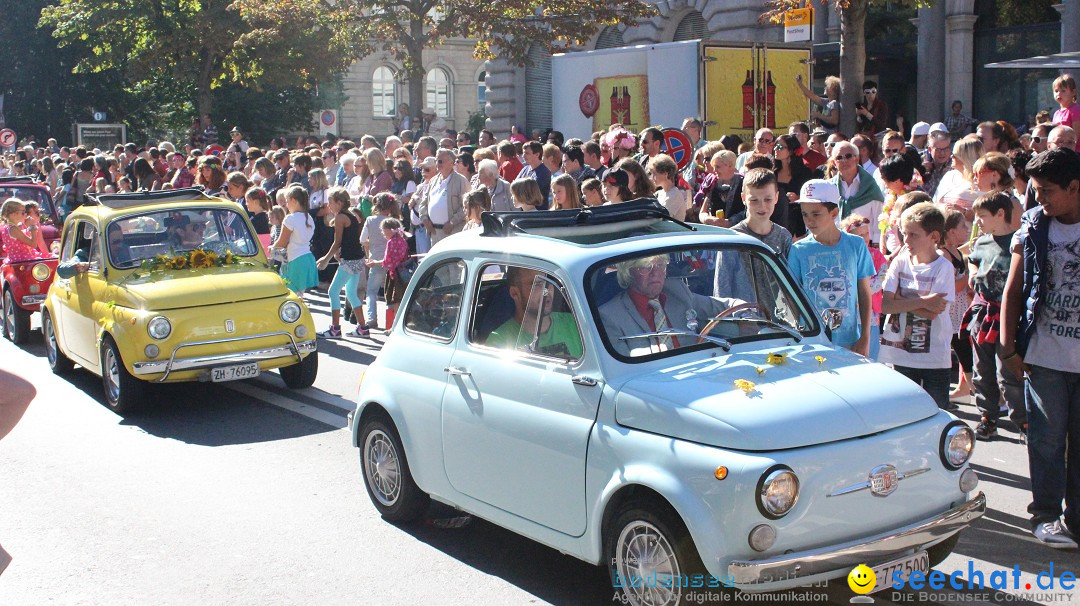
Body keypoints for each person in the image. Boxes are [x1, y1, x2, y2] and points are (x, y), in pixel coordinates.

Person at [999, 148, 1080, 548]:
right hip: (1043, 356)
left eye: (1047, 191)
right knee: (1047, 439)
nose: (1040, 199)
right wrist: (1007, 347)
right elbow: (1013, 290)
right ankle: (1046, 515)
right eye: (1035, 190)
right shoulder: (1032, 226)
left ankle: (1076, 521)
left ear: (1074, 187)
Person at [878, 202, 955, 409]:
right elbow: (885, 305)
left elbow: (934, 312)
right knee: (902, 413)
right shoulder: (900, 262)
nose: (906, 240)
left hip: (934, 358)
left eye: (914, 235)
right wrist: (923, 302)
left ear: (934, 237)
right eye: (904, 234)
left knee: (936, 413)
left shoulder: (944, 268)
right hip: (899, 356)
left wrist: (900, 302)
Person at [787, 180, 874, 356]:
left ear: (834, 212)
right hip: (811, 343)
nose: (809, 220)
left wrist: (865, 337)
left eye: (816, 214)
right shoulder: (798, 250)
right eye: (805, 214)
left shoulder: (856, 244)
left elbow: (864, 292)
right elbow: (792, 299)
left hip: (850, 341)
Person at [966, 192, 1026, 440]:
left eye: (982, 216)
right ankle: (988, 417)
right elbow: (972, 259)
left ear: (1000, 214)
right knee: (982, 370)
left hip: (1008, 315)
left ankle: (1024, 422)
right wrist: (972, 271)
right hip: (984, 313)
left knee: (1008, 373)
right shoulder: (981, 242)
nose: (978, 221)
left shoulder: (1018, 242)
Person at [598, 254, 742, 357]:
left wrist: (746, 315)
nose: (655, 273)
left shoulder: (677, 292)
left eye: (660, 265)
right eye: (645, 267)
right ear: (628, 272)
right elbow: (623, 371)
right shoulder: (609, 315)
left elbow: (723, 305)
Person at [487, 266, 583, 358]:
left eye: (549, 282)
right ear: (515, 293)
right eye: (537, 284)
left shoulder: (577, 324)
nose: (547, 291)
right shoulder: (499, 342)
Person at [317, 188, 366, 338]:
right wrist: (339, 255)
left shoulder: (340, 218)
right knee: (351, 293)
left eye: (331, 202)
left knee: (333, 291)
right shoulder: (350, 215)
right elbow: (348, 241)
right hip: (356, 259)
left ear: (339, 202)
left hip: (350, 260)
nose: (329, 205)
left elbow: (337, 242)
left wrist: (325, 259)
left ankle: (335, 328)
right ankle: (363, 328)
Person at [841, 214, 887, 360]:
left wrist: (863, 288)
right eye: (859, 235)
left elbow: (882, 276)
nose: (864, 237)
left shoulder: (877, 255)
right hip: (849, 313)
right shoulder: (843, 255)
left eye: (866, 233)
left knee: (871, 350)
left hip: (871, 313)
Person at [730, 169, 792, 258]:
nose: (762, 206)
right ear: (743, 199)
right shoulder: (733, 238)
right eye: (754, 200)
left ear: (776, 197)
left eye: (768, 199)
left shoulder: (784, 237)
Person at [364, 217, 411, 329]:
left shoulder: (391, 242)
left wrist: (374, 263)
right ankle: (396, 326)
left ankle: (393, 326)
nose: (383, 233)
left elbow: (388, 262)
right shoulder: (402, 240)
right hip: (404, 273)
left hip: (395, 275)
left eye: (384, 230)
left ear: (390, 229)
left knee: (394, 300)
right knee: (401, 299)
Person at [271, 186, 318, 293]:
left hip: (294, 260)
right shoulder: (309, 218)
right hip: (307, 259)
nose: (286, 205)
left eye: (287, 201)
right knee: (299, 296)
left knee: (290, 296)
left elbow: (281, 243)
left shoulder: (290, 218)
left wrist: (271, 249)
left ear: (293, 201)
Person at [418, 149, 468, 244]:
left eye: (440, 161)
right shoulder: (433, 181)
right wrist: (424, 219)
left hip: (452, 232)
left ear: (451, 163)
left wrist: (452, 222)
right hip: (434, 232)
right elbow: (423, 203)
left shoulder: (461, 181)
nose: (437, 164)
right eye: (436, 161)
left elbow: (467, 207)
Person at [829, 141, 885, 226]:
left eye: (848, 156)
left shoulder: (870, 185)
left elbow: (878, 221)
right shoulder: (829, 187)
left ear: (857, 159)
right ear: (834, 163)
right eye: (839, 157)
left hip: (865, 238)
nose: (844, 160)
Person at [698, 151, 743, 226]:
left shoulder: (743, 183)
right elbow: (702, 212)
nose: (714, 170)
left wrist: (730, 222)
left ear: (730, 165)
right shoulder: (712, 182)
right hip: (715, 230)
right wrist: (707, 219)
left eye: (718, 167)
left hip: (738, 231)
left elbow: (749, 210)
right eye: (714, 167)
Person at [647, 154, 688, 220]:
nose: (652, 177)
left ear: (665, 174)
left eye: (655, 173)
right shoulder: (659, 193)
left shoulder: (674, 195)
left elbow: (660, 219)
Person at [517, 141, 551, 207]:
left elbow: (531, 193)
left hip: (538, 213)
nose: (523, 156)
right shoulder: (525, 169)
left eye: (527, 153)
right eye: (523, 153)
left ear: (537, 154)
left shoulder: (544, 172)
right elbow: (515, 187)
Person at [1052, 74, 1080, 151]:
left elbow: (1076, 135)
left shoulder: (1075, 110)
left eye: (1063, 91)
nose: (1059, 94)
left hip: (1074, 152)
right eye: (1056, 91)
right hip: (1059, 150)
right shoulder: (1056, 113)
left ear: (1073, 92)